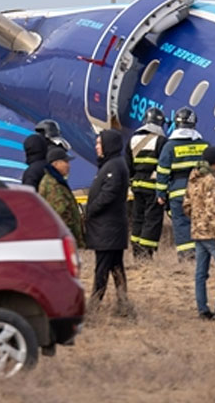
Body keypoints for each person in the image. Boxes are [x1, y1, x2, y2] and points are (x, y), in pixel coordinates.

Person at [85, 129, 132, 316]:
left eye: (99, 144)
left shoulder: (114, 166)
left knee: (102, 268)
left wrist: (91, 209)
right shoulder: (111, 164)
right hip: (108, 229)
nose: (96, 147)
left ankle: (94, 306)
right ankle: (123, 304)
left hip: (108, 229)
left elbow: (109, 193)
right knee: (115, 267)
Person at [183, 147, 215, 320]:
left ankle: (202, 309)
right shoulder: (211, 180)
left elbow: (186, 204)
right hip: (211, 232)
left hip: (197, 231)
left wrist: (197, 219)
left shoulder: (194, 176)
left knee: (200, 272)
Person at [156, 107, 209, 262]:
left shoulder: (170, 146)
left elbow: (163, 172)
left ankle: (187, 258)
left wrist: (160, 194)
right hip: (200, 192)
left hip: (178, 193)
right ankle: (202, 256)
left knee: (181, 225)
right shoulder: (204, 145)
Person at [127, 106, 167, 258]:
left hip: (137, 185)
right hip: (153, 186)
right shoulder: (161, 141)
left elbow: (127, 164)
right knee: (152, 219)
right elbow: (164, 164)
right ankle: (146, 253)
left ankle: (136, 250)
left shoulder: (133, 139)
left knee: (138, 218)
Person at [38, 147, 83, 247]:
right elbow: (61, 213)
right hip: (63, 241)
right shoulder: (54, 185)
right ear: (56, 164)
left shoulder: (55, 181)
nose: (68, 165)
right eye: (65, 162)